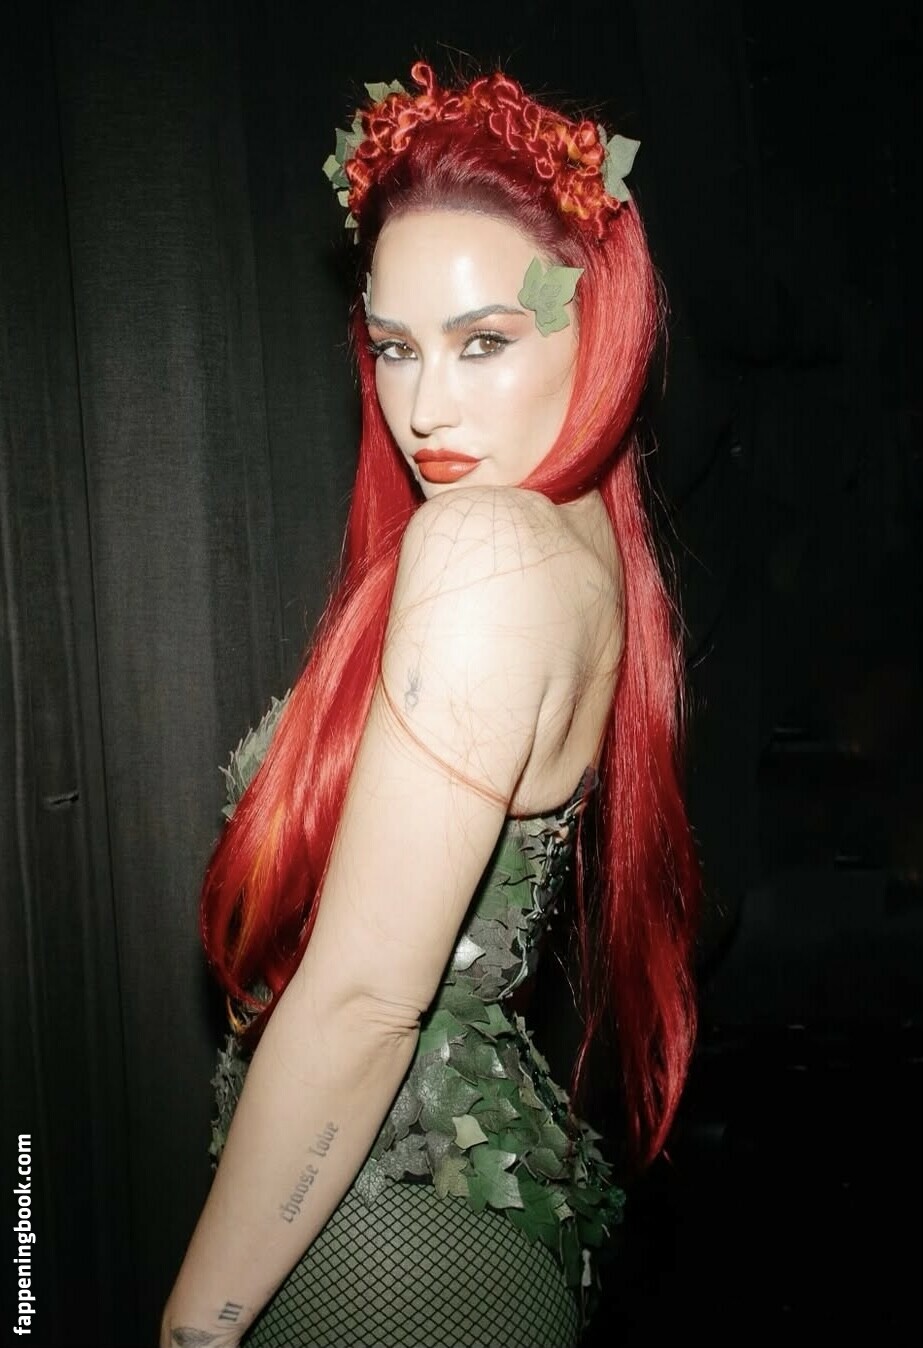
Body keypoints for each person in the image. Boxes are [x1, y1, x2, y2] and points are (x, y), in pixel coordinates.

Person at [160, 61, 700, 1348]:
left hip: (388, 1240)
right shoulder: (572, 554)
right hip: (439, 1215)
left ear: (598, 329)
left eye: (482, 341)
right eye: (394, 347)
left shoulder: (486, 548)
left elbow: (362, 1004)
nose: (422, 405)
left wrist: (194, 1325)